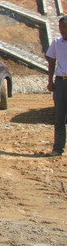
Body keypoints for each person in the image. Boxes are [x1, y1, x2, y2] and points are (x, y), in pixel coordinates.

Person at [46, 15, 67, 157]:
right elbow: (52, 62)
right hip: (61, 83)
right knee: (59, 117)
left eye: (64, 27)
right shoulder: (56, 43)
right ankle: (58, 148)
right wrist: (50, 81)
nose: (62, 29)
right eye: (60, 27)